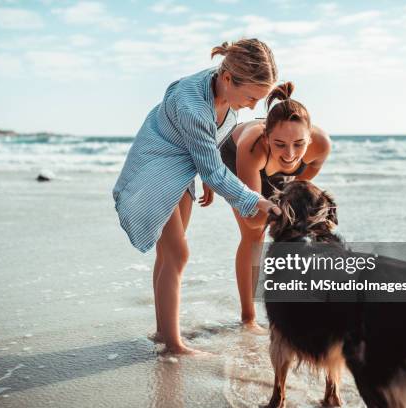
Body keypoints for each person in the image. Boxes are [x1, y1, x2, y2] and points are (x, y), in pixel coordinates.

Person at [113, 39, 281, 355]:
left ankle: (164, 332)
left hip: (184, 167)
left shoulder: (226, 83)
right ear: (229, 79)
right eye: (251, 97)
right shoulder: (192, 105)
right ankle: (174, 344)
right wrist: (254, 200)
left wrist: (208, 171)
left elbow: (210, 150)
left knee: (168, 255)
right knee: (178, 254)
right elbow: (214, 171)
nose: (253, 107)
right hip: (156, 166)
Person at [199, 82, 331, 331]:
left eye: (299, 144)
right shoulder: (253, 145)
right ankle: (248, 318)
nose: (291, 153)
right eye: (280, 143)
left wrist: (287, 198)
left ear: (310, 138)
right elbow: (252, 217)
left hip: (274, 171)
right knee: (253, 234)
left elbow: (310, 168)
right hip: (234, 158)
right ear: (267, 136)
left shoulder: (321, 144)